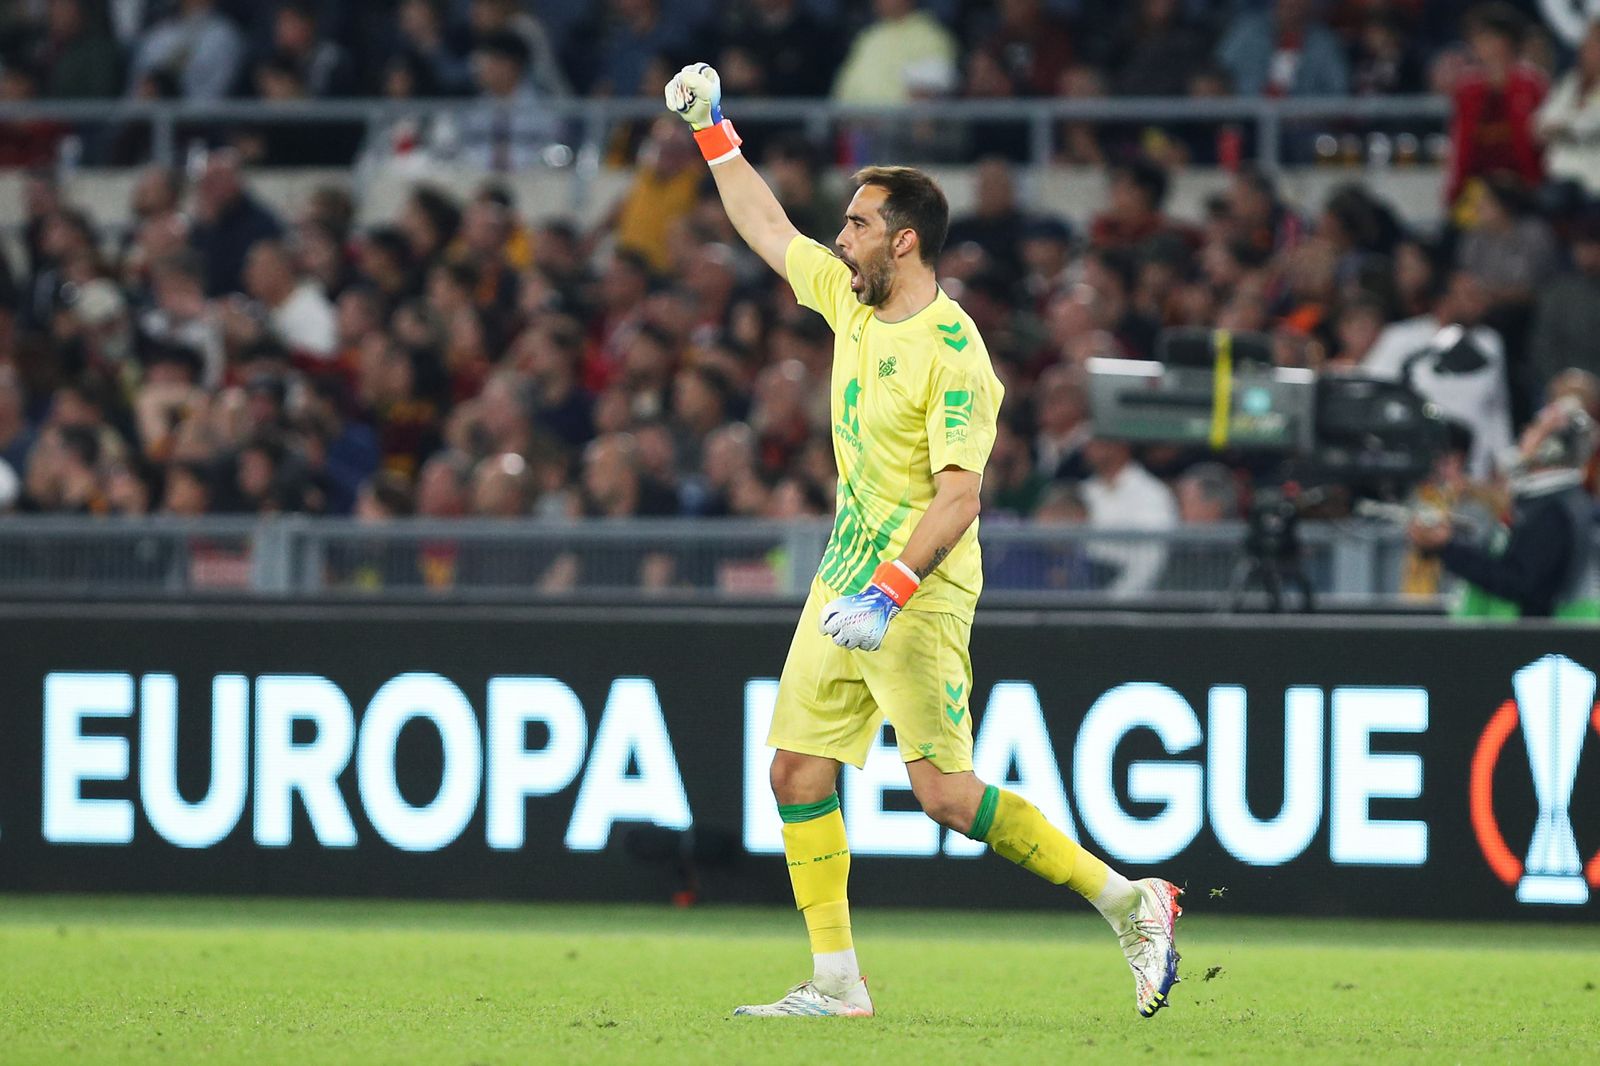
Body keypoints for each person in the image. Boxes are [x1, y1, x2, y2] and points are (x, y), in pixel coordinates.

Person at [664, 61, 1181, 1020]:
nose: (839, 235)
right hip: (843, 577)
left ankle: (1131, 900)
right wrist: (712, 129)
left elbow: (959, 500)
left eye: (857, 223)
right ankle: (837, 983)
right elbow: (767, 228)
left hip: (919, 590)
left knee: (945, 796)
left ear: (902, 242)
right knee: (796, 770)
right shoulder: (848, 299)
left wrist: (891, 592)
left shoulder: (954, 353)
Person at [1409, 398, 1598, 618]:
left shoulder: (1555, 510)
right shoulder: (1549, 501)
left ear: (1552, 448)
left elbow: (1518, 582)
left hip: (1535, 645)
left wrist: (1447, 549)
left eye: (1536, 427)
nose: (1525, 432)